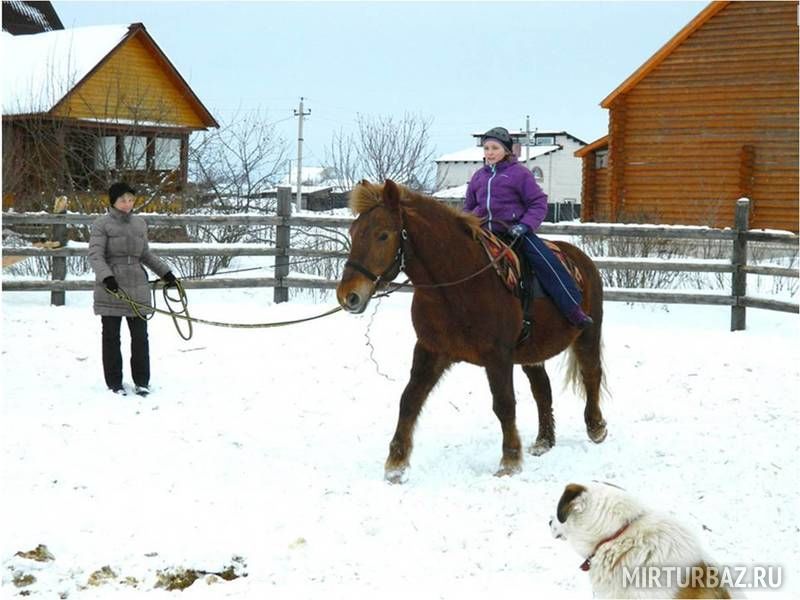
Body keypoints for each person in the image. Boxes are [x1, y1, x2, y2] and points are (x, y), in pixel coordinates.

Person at [464, 127, 593, 329]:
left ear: (506, 150)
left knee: (544, 260)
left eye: (495, 148)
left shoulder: (519, 174)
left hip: (514, 232)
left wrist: (525, 225)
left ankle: (572, 307)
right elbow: (469, 206)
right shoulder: (479, 177)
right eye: (486, 147)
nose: (489, 152)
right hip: (484, 232)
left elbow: (538, 202)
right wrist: (469, 221)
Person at [88, 182, 179, 396]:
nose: (127, 204)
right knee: (111, 337)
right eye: (122, 200)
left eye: (130, 199)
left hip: (138, 285)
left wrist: (165, 273)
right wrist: (107, 276)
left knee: (140, 336)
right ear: (113, 201)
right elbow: (95, 255)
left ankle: (142, 381)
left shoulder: (139, 223)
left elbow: (145, 254)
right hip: (112, 288)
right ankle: (114, 383)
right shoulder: (102, 224)